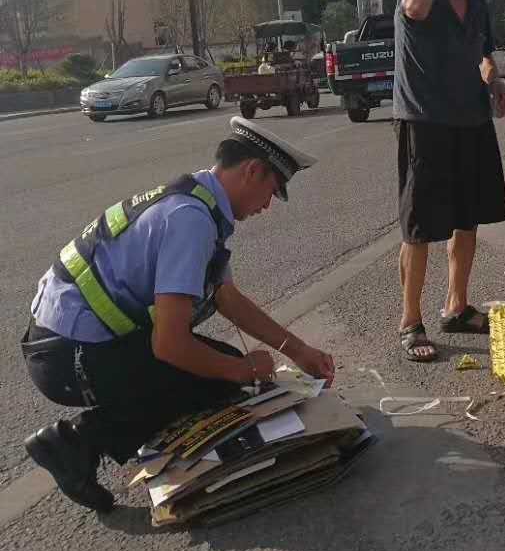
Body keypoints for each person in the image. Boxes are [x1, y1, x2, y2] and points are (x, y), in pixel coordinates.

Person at [22, 117, 335, 513]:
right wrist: (240, 372)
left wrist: (298, 350)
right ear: (252, 170)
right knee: (213, 383)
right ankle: (75, 442)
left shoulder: (198, 203)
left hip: (69, 344)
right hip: (68, 359)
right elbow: (169, 345)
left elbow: (227, 298)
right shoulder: (189, 220)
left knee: (222, 370)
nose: (267, 206)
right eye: (271, 192)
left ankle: (107, 430)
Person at [393, 0, 505, 362]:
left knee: (468, 218)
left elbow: (482, 52)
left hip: (471, 122)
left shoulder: (478, 1)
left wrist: (494, 79)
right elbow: (415, 10)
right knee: (420, 227)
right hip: (425, 124)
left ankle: (456, 307)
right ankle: (411, 320)